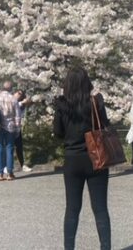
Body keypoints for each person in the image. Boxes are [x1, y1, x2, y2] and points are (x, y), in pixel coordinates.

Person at [53, 67, 111, 250]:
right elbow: (105, 125)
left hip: (72, 159)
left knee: (72, 209)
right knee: (100, 208)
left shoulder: (62, 105)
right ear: (87, 82)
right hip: (96, 158)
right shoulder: (95, 102)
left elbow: (58, 132)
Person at [0, 81, 22, 181]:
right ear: (11, 89)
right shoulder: (13, 99)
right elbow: (18, 116)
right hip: (10, 126)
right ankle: (10, 174)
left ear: (3, 87)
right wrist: (18, 129)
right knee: (9, 148)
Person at [13, 89, 34, 173]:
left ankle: (22, 165)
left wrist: (25, 103)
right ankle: (7, 166)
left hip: (17, 129)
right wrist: (22, 103)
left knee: (19, 147)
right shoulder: (10, 100)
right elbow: (11, 106)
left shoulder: (21, 106)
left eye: (21, 95)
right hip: (8, 129)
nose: (19, 95)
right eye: (18, 93)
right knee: (9, 147)